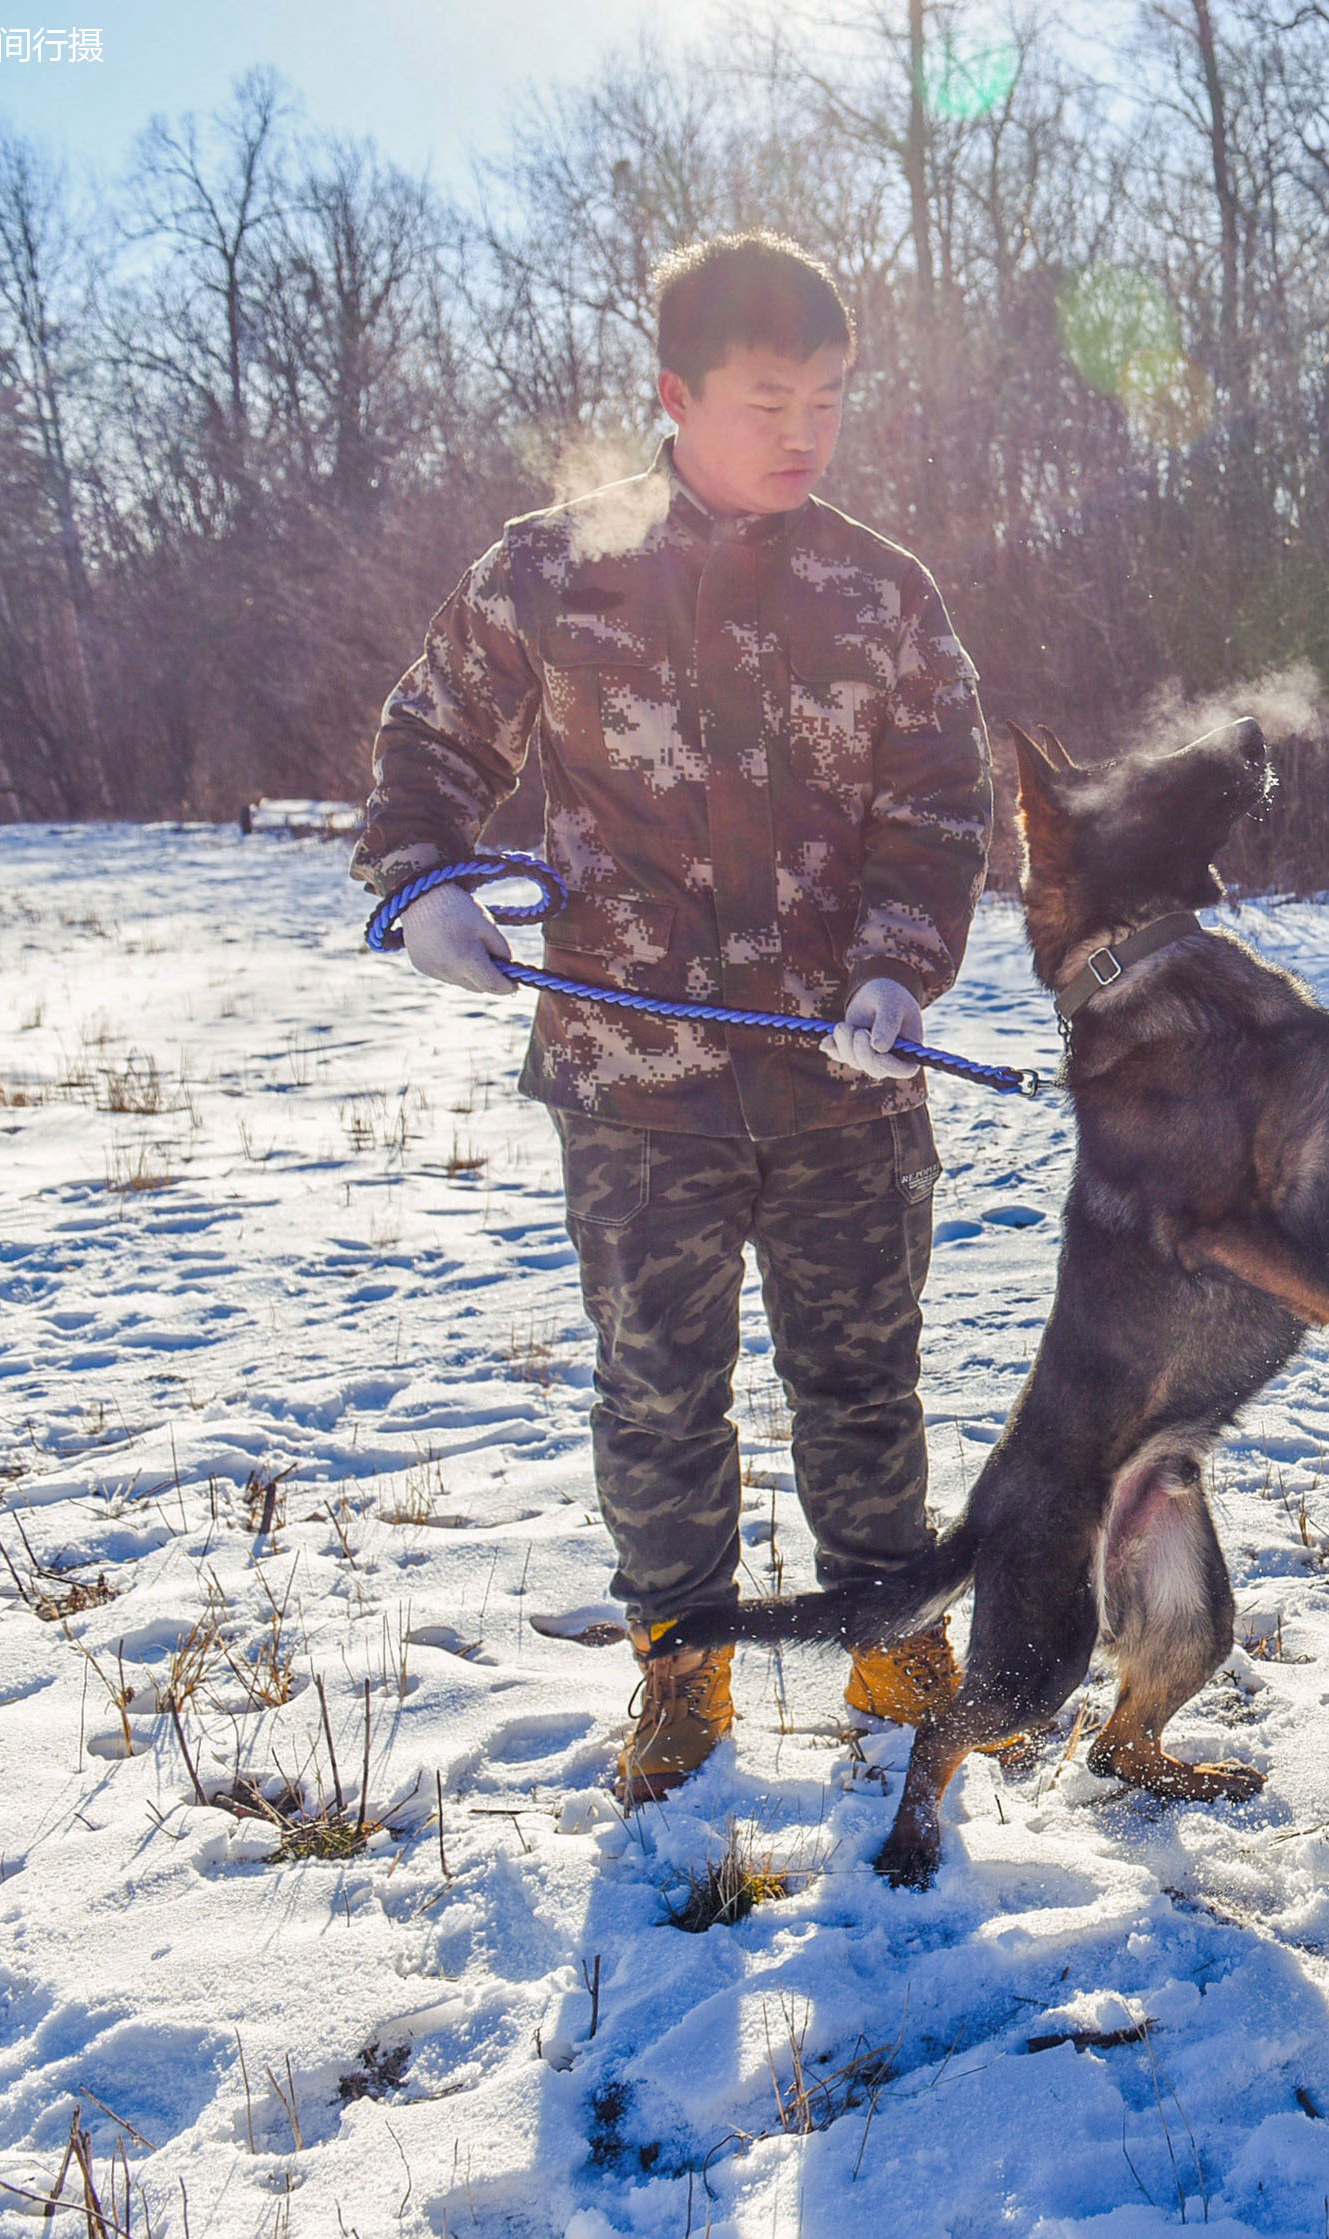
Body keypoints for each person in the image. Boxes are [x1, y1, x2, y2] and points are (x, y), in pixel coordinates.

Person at [352, 231, 990, 1805]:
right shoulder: (549, 569)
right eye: (771, 397)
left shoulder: (882, 591)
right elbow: (426, 744)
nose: (805, 431)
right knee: (658, 1388)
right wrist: (424, 883)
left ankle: (890, 1644)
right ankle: (682, 1671)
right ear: (674, 392)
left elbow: (942, 813)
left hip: (849, 1085)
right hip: (634, 1087)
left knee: (863, 1378)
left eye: (831, 399)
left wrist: (901, 969)